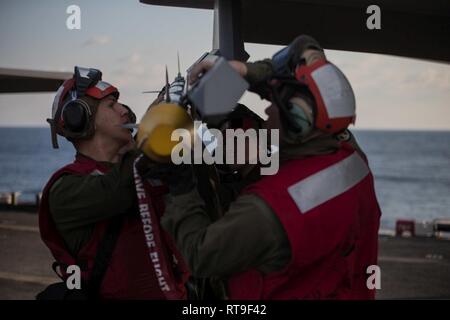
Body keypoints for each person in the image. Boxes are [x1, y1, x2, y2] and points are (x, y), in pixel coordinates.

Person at [148, 35, 382, 299]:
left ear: (297, 122)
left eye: (275, 103)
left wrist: (181, 185)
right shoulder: (351, 160)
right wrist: (248, 73)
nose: (268, 110)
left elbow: (201, 256)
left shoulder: (271, 206)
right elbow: (308, 47)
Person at [38, 67, 190, 299]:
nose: (125, 112)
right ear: (80, 118)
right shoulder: (66, 189)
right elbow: (120, 189)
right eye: (111, 105)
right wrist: (151, 130)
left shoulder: (142, 166)